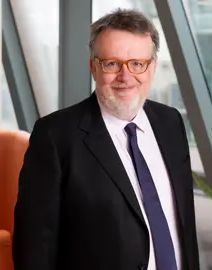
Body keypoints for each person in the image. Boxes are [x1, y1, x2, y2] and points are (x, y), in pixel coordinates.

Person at [12, 8, 200, 270]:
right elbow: (34, 246)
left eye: (137, 63)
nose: (125, 77)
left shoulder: (170, 123)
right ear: (94, 67)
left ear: (153, 67)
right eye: (112, 63)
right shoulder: (55, 136)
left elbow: (182, 223)